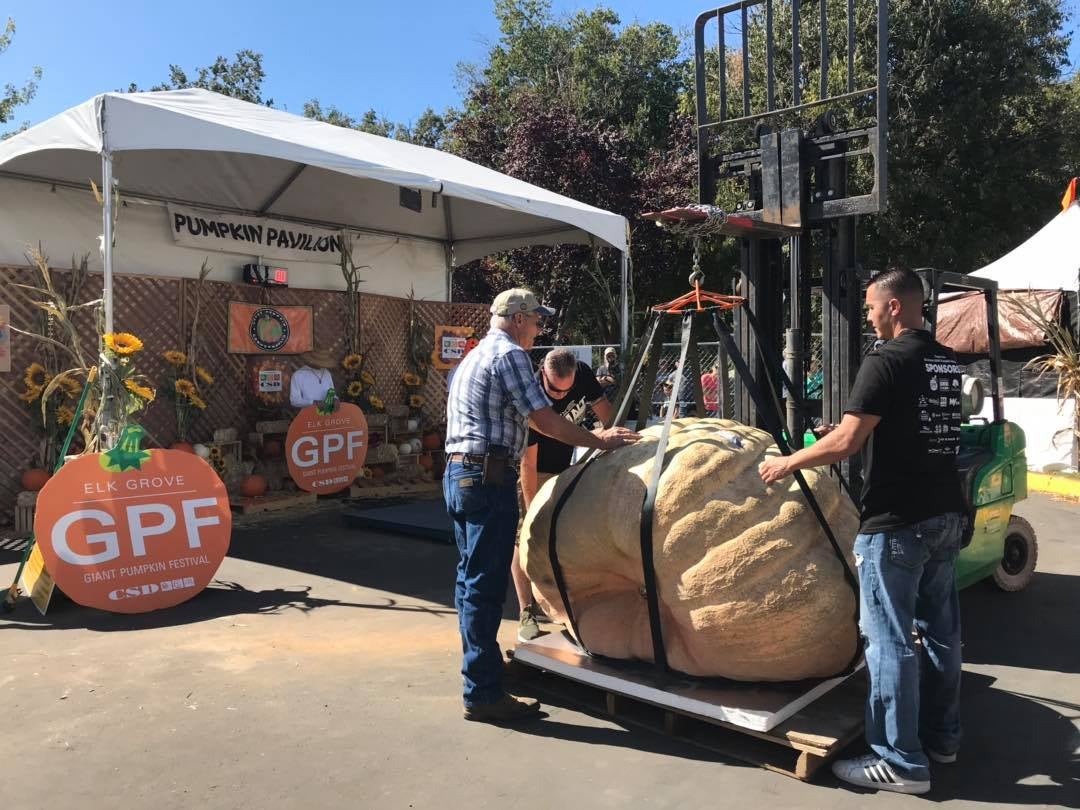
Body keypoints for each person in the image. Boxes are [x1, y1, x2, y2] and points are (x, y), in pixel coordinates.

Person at [758, 268, 965, 795]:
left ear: (895, 306)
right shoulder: (944, 359)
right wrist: (847, 431)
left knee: (888, 641)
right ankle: (943, 737)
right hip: (944, 514)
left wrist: (789, 463)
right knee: (940, 633)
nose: (869, 315)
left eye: (873, 306)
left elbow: (849, 442)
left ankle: (900, 761)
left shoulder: (884, 357)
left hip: (897, 523)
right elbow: (909, 426)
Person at [444, 288, 640, 725]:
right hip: (487, 474)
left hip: (460, 474)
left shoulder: (473, 356)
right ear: (517, 319)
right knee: (484, 586)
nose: (538, 330)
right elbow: (542, 419)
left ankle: (484, 672)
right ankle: (481, 691)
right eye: (536, 322)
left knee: (468, 581)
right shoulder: (510, 355)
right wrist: (598, 440)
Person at [514, 349, 616, 642]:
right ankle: (526, 611)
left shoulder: (583, 374)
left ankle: (570, 600)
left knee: (570, 531)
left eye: (566, 391)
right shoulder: (531, 395)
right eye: (554, 390)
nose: (560, 397)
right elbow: (528, 464)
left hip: (566, 466)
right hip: (532, 471)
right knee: (525, 536)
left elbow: (608, 415)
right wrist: (532, 509)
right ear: (543, 375)